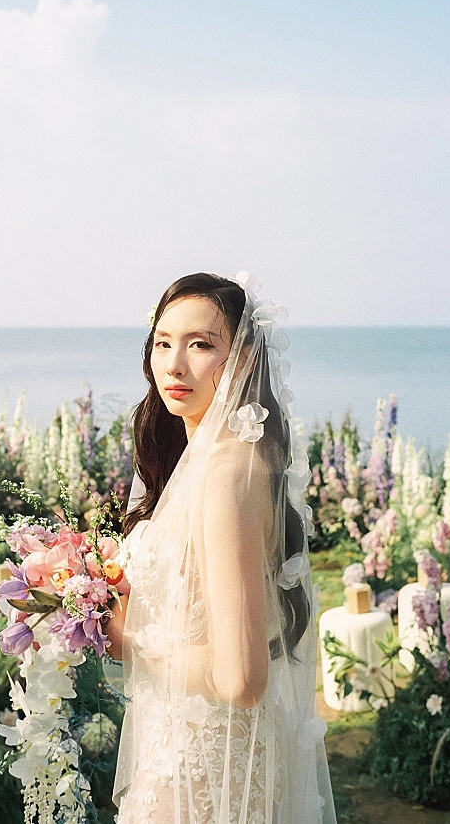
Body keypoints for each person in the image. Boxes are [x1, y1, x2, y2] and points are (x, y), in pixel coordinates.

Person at [108, 272, 337, 824]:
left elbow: (241, 680)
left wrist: (127, 640)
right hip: (187, 752)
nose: (174, 365)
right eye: (163, 343)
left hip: (203, 772)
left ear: (242, 361)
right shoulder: (216, 465)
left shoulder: (225, 475)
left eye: (201, 344)